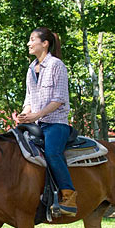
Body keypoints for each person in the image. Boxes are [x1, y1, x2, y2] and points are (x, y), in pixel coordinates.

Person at [17, 27, 77, 216]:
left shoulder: (56, 65)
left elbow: (59, 99)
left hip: (55, 123)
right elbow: (29, 99)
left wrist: (37, 115)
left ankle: (68, 195)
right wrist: (24, 114)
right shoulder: (30, 68)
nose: (28, 43)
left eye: (32, 39)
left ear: (45, 43)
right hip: (36, 123)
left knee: (52, 152)